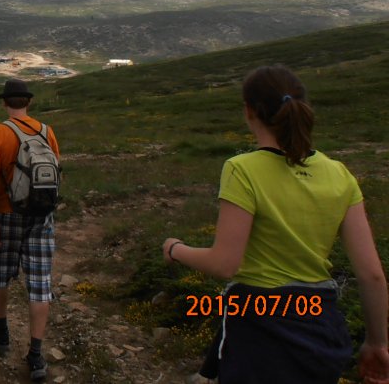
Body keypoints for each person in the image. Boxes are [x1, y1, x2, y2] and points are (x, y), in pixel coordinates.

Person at [162, 65, 389, 384]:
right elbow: (372, 275)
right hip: (321, 325)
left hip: (260, 326)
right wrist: (377, 342)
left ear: (249, 111)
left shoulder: (242, 169)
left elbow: (224, 264)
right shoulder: (339, 174)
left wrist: (175, 249)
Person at [0, 78, 61, 381]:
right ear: (28, 102)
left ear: (5, 102)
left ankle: (2, 331)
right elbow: (55, 172)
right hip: (41, 214)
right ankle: (36, 353)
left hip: (8, 213)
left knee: (1, 272)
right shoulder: (46, 131)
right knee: (40, 282)